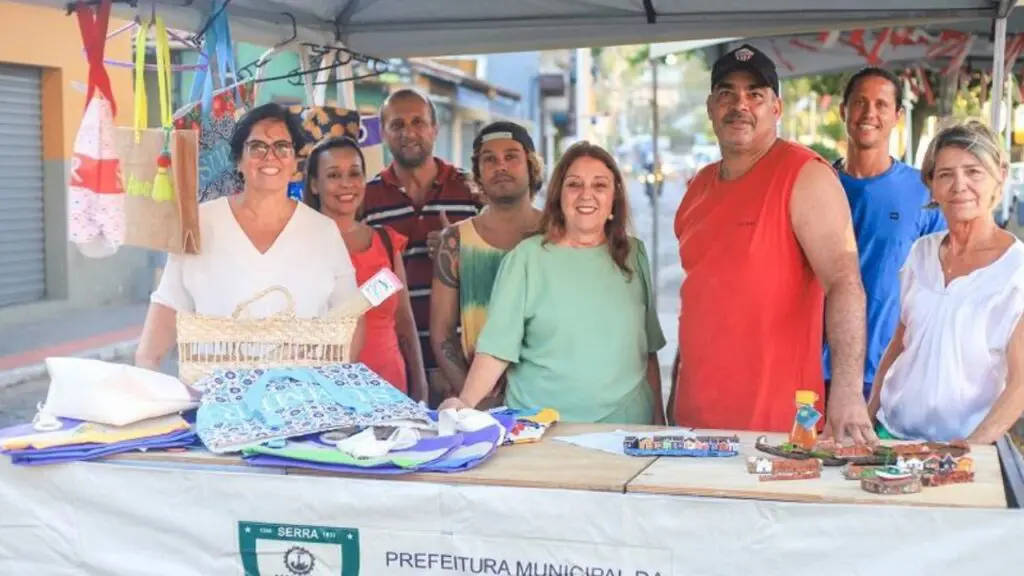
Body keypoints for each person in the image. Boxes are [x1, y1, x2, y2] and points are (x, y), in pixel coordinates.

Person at [670, 44, 874, 442]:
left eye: (755, 95)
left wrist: (848, 392)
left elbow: (844, 283)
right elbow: (698, 300)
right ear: (711, 107)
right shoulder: (698, 187)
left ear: (776, 108)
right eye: (727, 93)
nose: (740, 105)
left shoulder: (804, 175)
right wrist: (675, 391)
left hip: (778, 428)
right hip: (694, 421)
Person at [439, 142, 666, 424]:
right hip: (544, 430)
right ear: (559, 195)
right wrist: (465, 403)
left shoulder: (634, 254)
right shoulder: (526, 259)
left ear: (614, 197)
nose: (586, 195)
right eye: (574, 184)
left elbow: (647, 351)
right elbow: (496, 349)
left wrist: (660, 422)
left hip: (627, 429)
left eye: (599, 185)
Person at [135, 103, 364, 370]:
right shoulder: (200, 223)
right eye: (257, 147)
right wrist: (146, 367)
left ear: (294, 162)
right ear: (239, 161)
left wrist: (335, 381)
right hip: (219, 390)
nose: (270, 156)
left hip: (300, 391)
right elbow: (169, 303)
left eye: (282, 147)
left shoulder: (323, 231)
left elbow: (350, 316)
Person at [869, 120, 1024, 444]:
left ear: (999, 177)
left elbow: (1020, 384)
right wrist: (868, 417)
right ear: (932, 185)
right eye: (945, 174)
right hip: (891, 434)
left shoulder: (1016, 269)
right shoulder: (921, 252)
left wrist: (972, 448)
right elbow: (899, 343)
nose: (959, 185)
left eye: (973, 172)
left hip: (964, 446)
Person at [824, 67, 947, 403]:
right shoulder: (815, 185)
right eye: (859, 102)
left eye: (881, 105)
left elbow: (943, 286)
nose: (869, 113)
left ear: (897, 116)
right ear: (843, 110)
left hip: (891, 373)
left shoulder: (922, 192)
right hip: (816, 369)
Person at [359, 87, 485, 406]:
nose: (409, 133)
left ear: (434, 129)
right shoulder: (365, 199)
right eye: (397, 125)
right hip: (394, 371)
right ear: (383, 132)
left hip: (466, 368)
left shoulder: (471, 190)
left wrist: (459, 254)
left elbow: (498, 272)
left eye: (418, 122)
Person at [304, 135, 428, 401]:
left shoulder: (385, 241)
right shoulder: (301, 245)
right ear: (314, 184)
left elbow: (404, 321)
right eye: (334, 175)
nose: (346, 183)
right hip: (328, 394)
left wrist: (421, 385)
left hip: (391, 390)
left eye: (354, 173)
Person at [429, 121, 544, 408]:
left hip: (550, 398)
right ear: (478, 173)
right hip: (482, 406)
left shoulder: (557, 234)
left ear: (531, 166)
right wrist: (472, 398)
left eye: (511, 156)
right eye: (489, 159)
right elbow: (442, 332)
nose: (500, 166)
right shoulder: (455, 241)